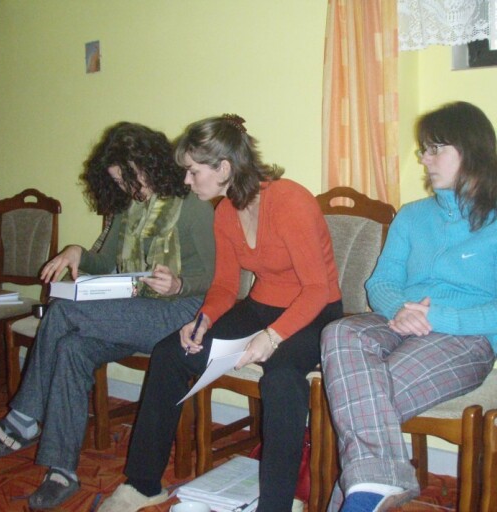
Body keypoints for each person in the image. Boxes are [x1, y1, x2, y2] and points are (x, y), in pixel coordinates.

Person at [96, 114, 343, 512]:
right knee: (171, 353)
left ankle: (276, 506)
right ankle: (143, 484)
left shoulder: (290, 200)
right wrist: (204, 320)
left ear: (224, 168)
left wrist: (272, 337)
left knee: (281, 378)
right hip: (262, 306)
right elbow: (226, 286)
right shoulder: (226, 212)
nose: (187, 180)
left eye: (193, 171)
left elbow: (315, 289)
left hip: (316, 312)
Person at [0, 122, 215, 510]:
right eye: (118, 181)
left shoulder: (192, 206)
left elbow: (213, 276)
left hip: (180, 313)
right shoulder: (128, 207)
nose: (127, 187)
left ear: (151, 163)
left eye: (129, 177)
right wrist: (78, 252)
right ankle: (61, 470)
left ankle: (22, 418)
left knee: (62, 312)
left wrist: (178, 283)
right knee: (72, 348)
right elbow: (105, 262)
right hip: (134, 310)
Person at [320, 101, 497, 512]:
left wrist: (438, 316)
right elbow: (380, 282)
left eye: (435, 149)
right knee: (341, 331)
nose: (424, 159)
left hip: (466, 338)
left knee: (363, 400)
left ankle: (362, 494)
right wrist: (402, 310)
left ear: (471, 149)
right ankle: (378, 484)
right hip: (398, 322)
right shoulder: (413, 216)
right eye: (424, 149)